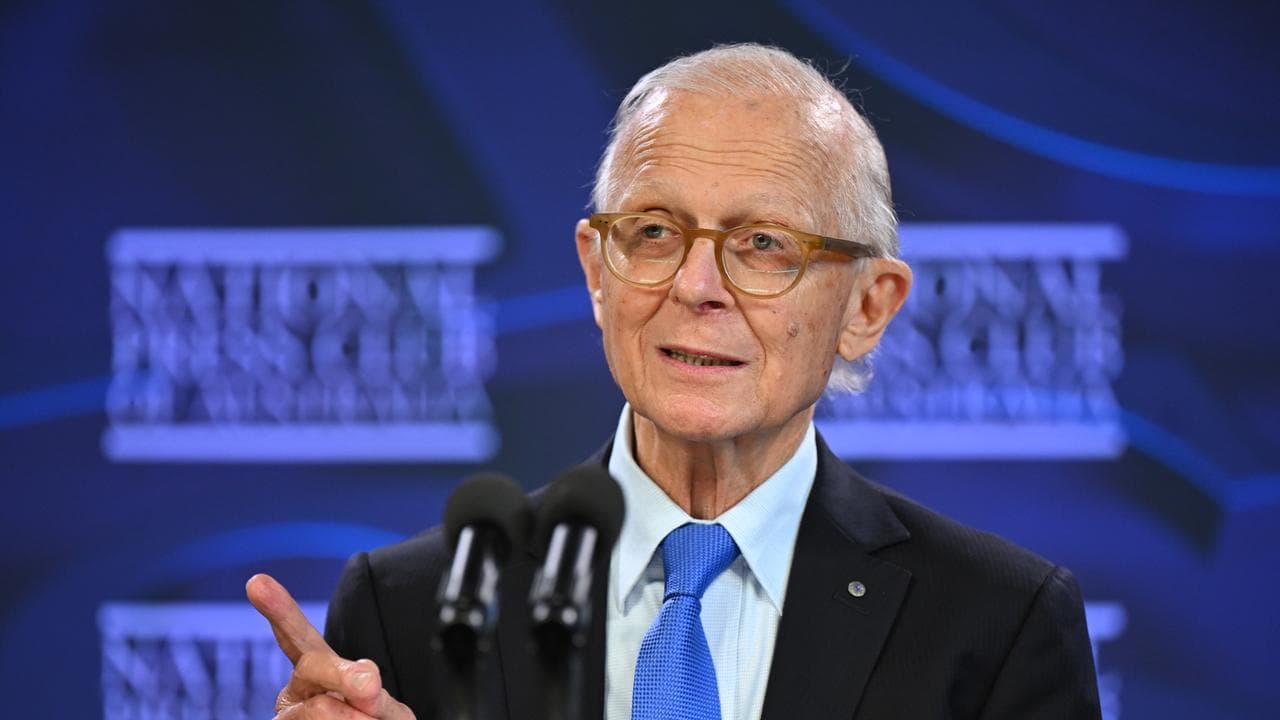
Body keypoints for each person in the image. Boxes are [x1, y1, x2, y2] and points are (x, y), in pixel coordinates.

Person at [247, 43, 1101, 719]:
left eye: (765, 243)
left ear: (867, 306)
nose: (696, 286)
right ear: (596, 270)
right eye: (654, 231)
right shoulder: (409, 611)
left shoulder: (996, 626)